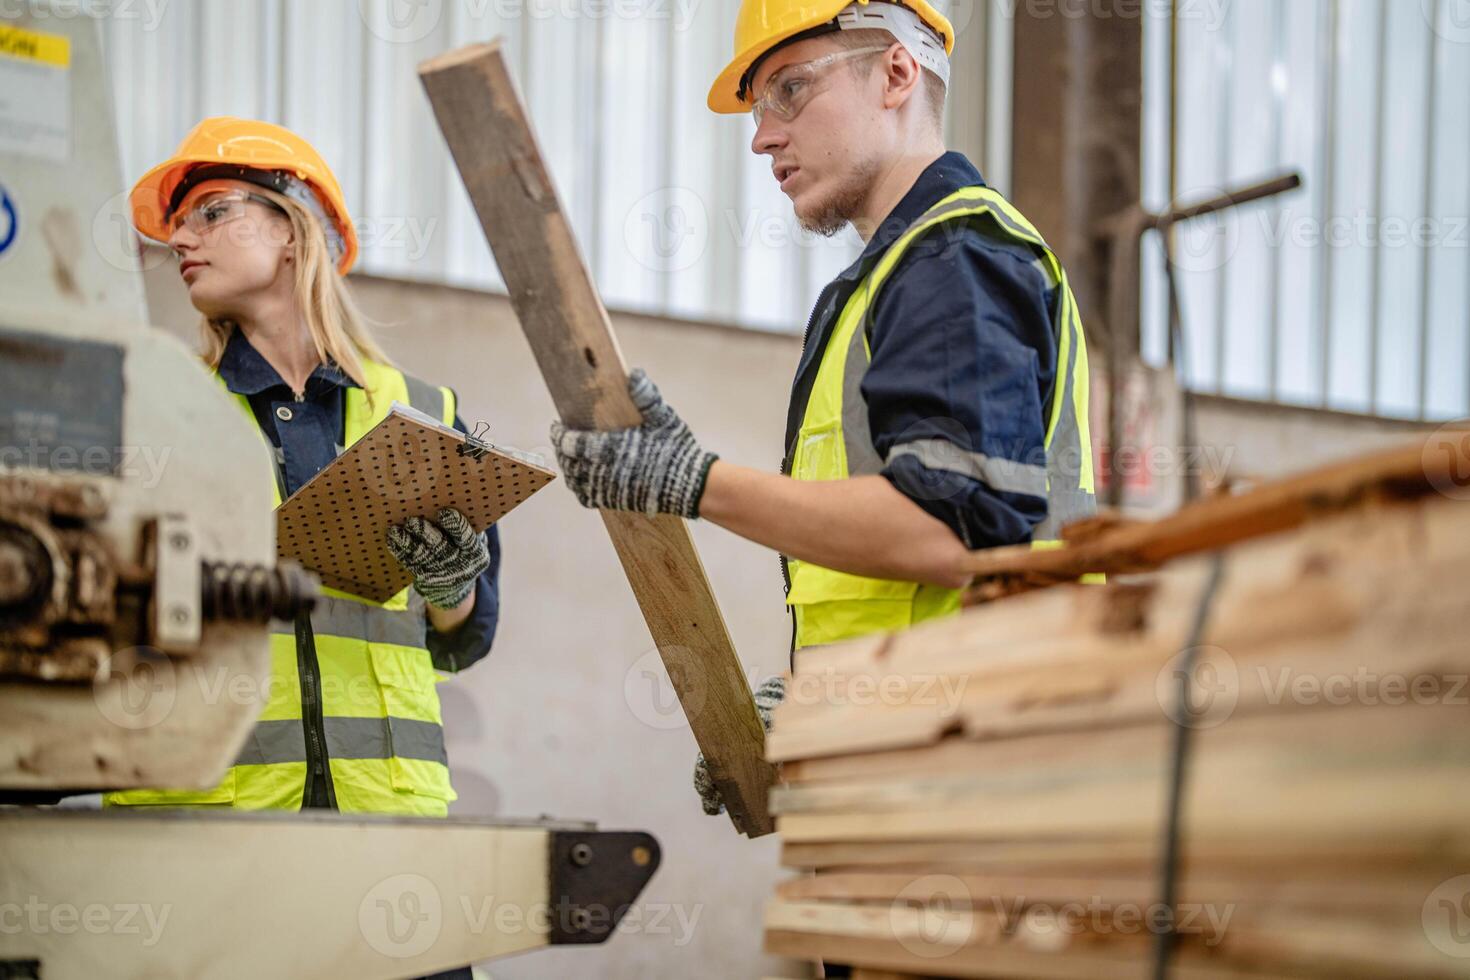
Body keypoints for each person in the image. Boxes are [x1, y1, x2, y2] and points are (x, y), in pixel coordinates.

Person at [550, 0, 1096, 817]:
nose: (763, 135)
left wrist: (692, 481)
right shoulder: (899, 275)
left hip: (969, 797)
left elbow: (948, 536)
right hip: (915, 781)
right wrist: (816, 703)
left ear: (898, 74)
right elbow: (898, 588)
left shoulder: (956, 258)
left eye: (790, 90)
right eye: (760, 105)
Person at [107, 117, 501, 822]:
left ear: (291, 228)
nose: (180, 240)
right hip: (202, 816)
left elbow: (462, 635)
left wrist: (452, 584)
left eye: (213, 212)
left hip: (386, 818)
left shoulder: (419, 412)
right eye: (177, 226)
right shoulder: (155, 410)